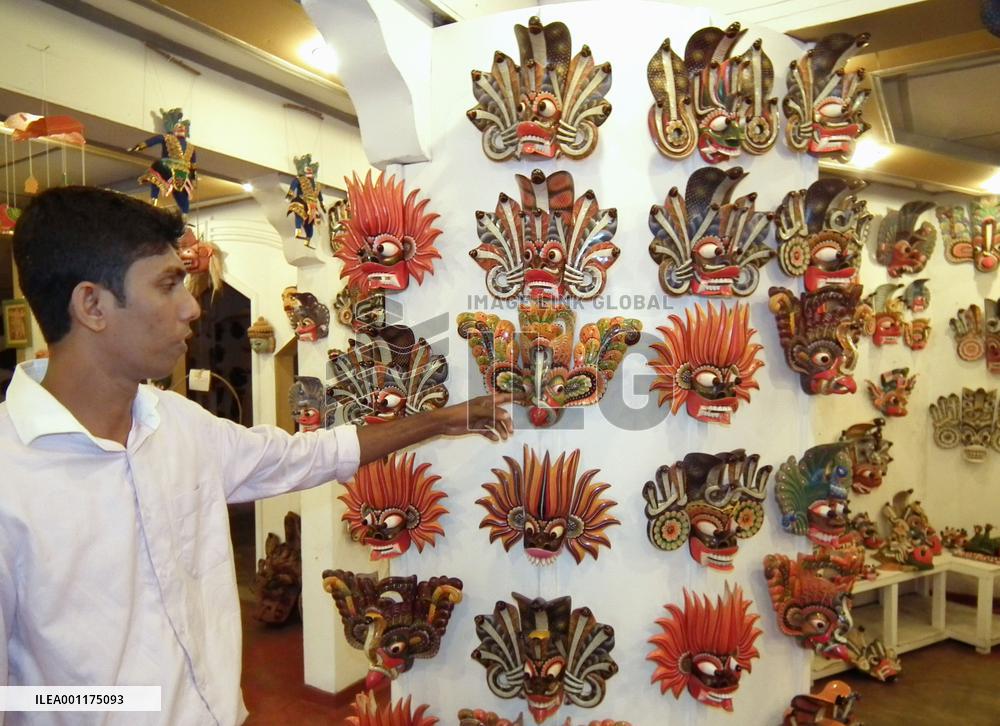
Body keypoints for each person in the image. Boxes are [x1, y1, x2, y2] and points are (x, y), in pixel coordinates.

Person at [0, 186, 514, 725]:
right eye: (168, 284)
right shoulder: (13, 479)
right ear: (93, 306)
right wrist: (121, 703)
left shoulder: (177, 424)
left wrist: (442, 420)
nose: (192, 306)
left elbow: (309, 456)